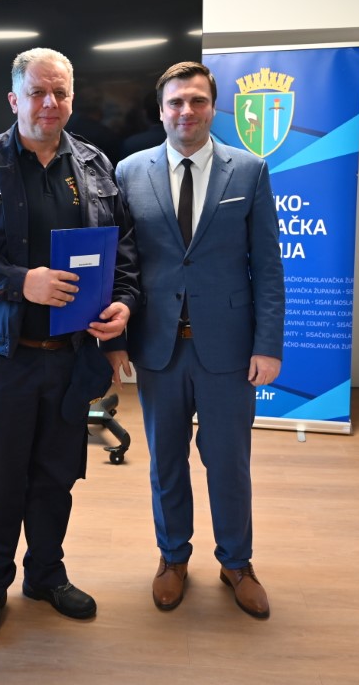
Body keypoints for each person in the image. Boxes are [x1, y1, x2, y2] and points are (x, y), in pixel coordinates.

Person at [0, 47, 138, 642]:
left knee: (55, 476)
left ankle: (46, 575)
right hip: (5, 357)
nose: (51, 103)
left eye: (61, 93)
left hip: (71, 357)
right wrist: (23, 282)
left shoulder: (96, 167)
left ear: (72, 98)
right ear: (14, 99)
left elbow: (123, 251)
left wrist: (123, 307)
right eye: (38, 92)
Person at [107, 61, 284, 619]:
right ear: (161, 111)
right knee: (166, 461)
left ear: (213, 107)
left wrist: (268, 344)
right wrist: (115, 342)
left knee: (229, 461)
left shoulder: (249, 170)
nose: (187, 111)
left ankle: (237, 563)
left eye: (198, 101)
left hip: (229, 349)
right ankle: (173, 557)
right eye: (176, 102)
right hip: (157, 346)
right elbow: (120, 264)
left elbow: (268, 267)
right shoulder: (128, 171)